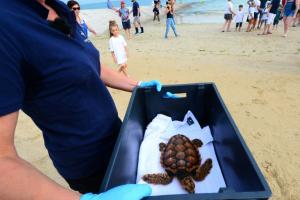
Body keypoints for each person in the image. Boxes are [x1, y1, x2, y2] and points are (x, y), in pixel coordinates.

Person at [0, 0, 163, 199]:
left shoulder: (60, 8)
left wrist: (137, 85)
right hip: (86, 161)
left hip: (118, 137)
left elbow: (89, 64)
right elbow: (3, 161)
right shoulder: (6, 23)